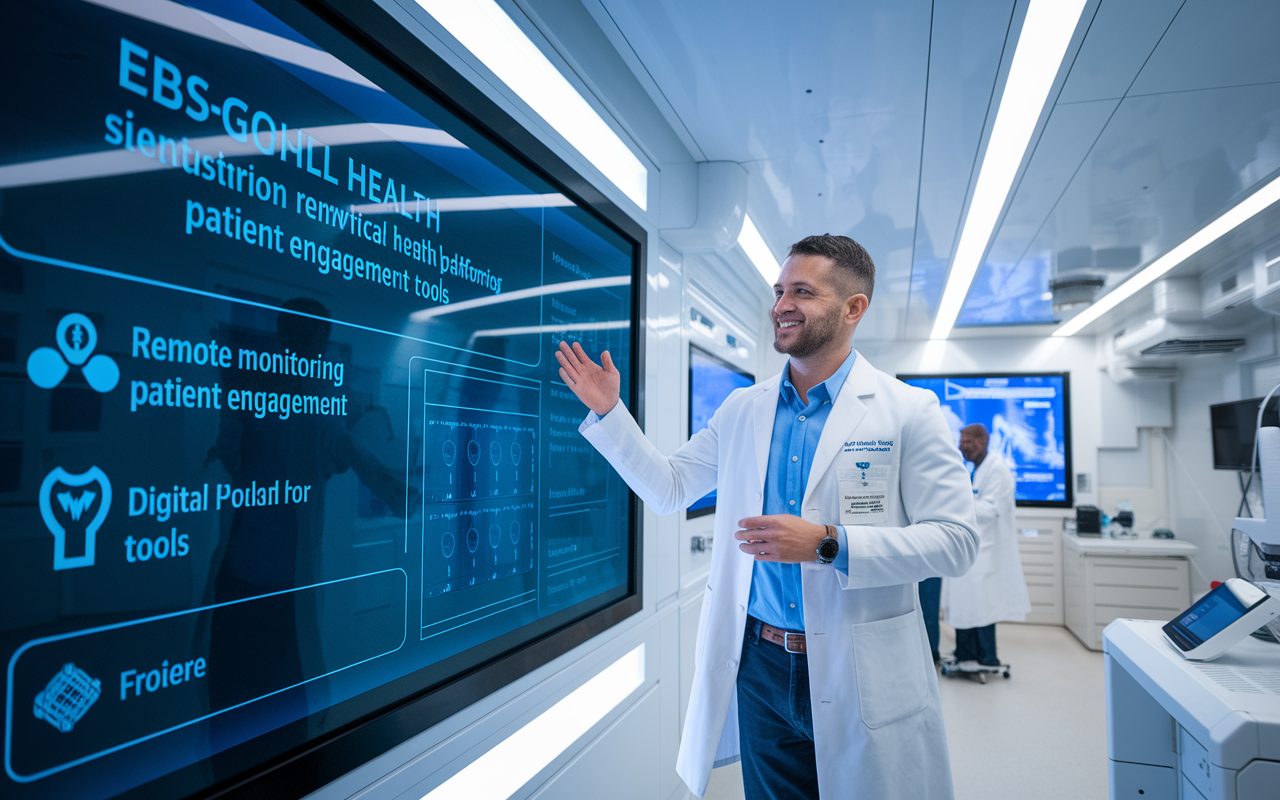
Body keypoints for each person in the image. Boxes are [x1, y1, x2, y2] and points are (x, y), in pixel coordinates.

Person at [554, 234, 979, 800]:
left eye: (801, 291)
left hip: (860, 664)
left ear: (854, 308)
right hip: (759, 664)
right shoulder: (741, 410)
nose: (780, 304)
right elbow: (669, 489)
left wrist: (830, 543)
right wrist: (611, 411)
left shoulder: (909, 411)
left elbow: (957, 541)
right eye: (779, 290)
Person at [943, 423, 1031, 667]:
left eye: (966, 442)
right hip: (972, 548)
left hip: (986, 550)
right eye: (961, 442)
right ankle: (965, 655)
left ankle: (986, 658)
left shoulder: (997, 469)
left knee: (981, 606)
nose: (962, 447)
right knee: (966, 604)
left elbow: (990, 509)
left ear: (980, 442)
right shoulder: (977, 468)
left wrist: (957, 502)